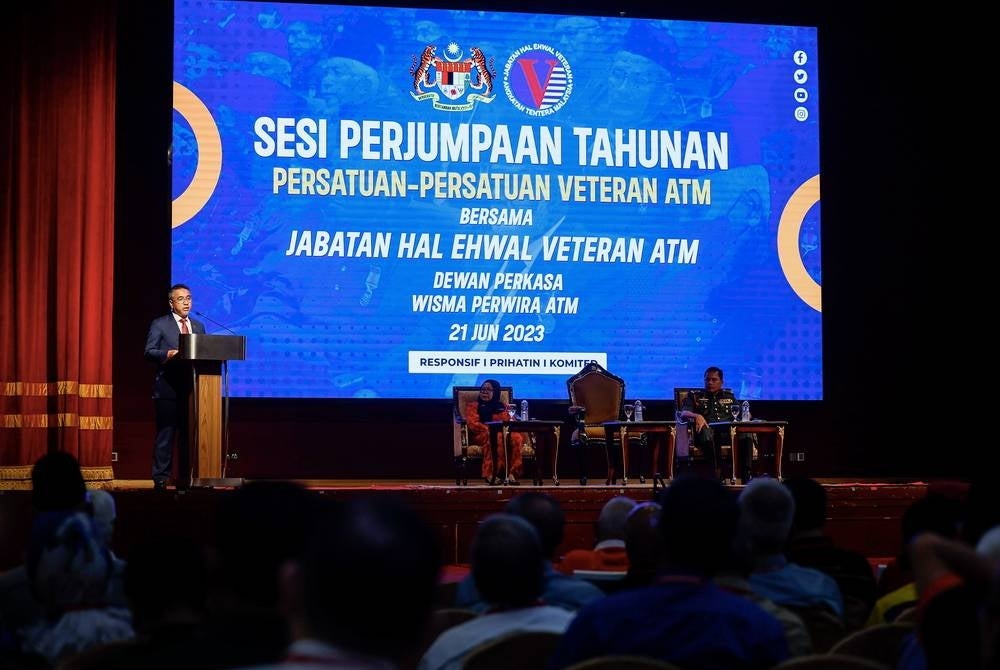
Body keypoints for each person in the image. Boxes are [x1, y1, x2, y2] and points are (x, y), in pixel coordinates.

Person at [144, 283, 205, 490]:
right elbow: (149, 351)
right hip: (168, 389)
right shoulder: (160, 324)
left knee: (189, 437)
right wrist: (166, 354)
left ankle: (186, 478)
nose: (186, 302)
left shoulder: (198, 326)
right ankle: (161, 478)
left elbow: (205, 354)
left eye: (188, 298)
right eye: (181, 299)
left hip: (193, 391)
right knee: (166, 435)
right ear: (171, 303)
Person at [677, 365, 749, 482]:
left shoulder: (729, 396)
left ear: (721, 382)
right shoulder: (696, 396)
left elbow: (741, 413)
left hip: (727, 433)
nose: (710, 382)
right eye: (707, 380)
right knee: (710, 433)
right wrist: (697, 416)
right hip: (706, 433)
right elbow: (683, 413)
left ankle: (747, 475)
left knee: (746, 434)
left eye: (714, 380)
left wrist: (747, 415)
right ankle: (716, 474)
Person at [462, 379, 524, 484]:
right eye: (483, 389)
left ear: (496, 392)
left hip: (503, 433)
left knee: (516, 437)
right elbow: (473, 424)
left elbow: (509, 421)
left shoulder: (503, 407)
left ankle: (511, 473)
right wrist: (491, 429)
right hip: (482, 434)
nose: (484, 392)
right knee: (496, 436)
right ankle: (491, 474)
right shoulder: (474, 406)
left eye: (488, 389)